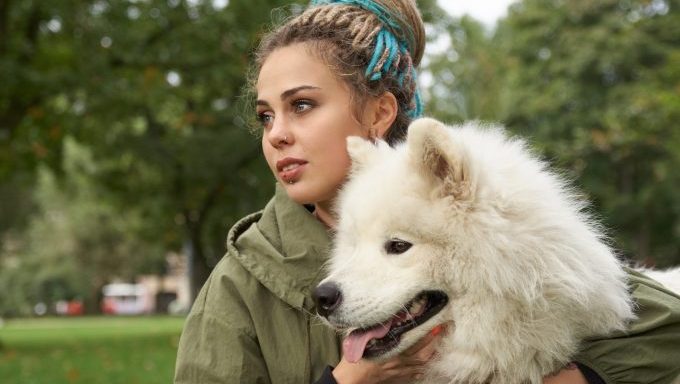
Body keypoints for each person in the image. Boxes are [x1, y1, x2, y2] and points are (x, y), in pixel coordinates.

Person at [174, 1, 680, 383]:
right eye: (266, 115)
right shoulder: (241, 284)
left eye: (301, 105)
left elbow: (659, 320)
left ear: (380, 112)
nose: (276, 133)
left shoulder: (477, 223)